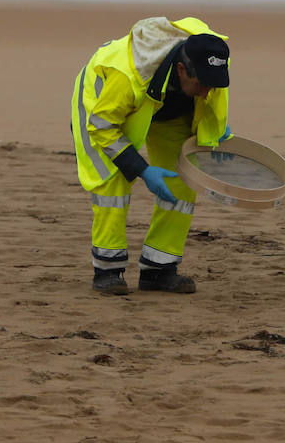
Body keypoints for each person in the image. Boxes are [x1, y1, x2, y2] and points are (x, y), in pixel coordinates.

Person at [70, 16, 232, 295]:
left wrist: (215, 131)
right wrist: (142, 170)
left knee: (183, 177)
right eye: (202, 84)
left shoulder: (212, 58)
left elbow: (210, 96)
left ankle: (159, 269)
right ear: (181, 69)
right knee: (112, 180)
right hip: (103, 107)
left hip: (168, 107)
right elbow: (102, 127)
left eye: (213, 85)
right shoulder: (126, 75)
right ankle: (107, 270)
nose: (208, 91)